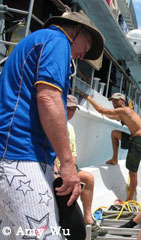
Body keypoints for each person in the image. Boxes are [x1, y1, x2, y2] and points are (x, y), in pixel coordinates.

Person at [0, 10, 104, 239]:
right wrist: (67, 164)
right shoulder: (58, 41)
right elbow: (48, 98)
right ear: (77, 31)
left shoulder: (37, 41)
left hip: (10, 157)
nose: (80, 55)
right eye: (85, 48)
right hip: (22, 156)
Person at [76, 91, 141, 201]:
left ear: (122, 101)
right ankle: (114, 159)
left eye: (115, 100)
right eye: (112, 101)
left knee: (132, 172)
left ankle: (129, 200)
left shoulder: (123, 110)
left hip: (138, 142)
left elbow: (101, 111)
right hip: (135, 140)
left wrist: (88, 98)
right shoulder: (124, 112)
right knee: (114, 133)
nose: (113, 103)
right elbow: (110, 115)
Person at [54, 95, 108, 239]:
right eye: (68, 108)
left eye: (73, 110)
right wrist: (59, 171)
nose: (70, 112)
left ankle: (88, 220)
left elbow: (73, 154)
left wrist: (72, 170)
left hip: (67, 169)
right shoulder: (53, 124)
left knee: (88, 179)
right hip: (55, 170)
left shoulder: (70, 128)